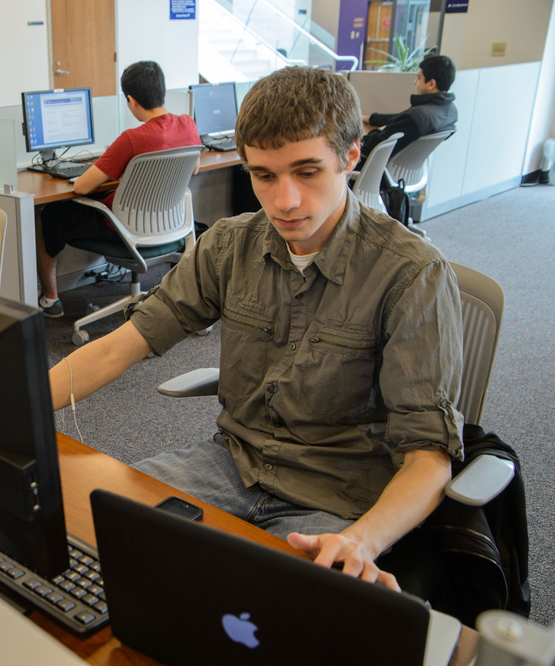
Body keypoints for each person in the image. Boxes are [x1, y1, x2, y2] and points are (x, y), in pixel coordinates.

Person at [49, 66, 465, 590]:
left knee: (288, 621)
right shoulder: (229, 245)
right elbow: (119, 348)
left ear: (351, 156)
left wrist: (363, 541)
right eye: (264, 175)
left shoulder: (411, 275)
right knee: (91, 537)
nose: (284, 201)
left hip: (334, 499)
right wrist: (22, 402)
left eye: (307, 172)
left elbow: (430, 458)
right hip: (229, 466)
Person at [36, 60, 201, 317]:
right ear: (162, 91)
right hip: (169, 225)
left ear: (132, 101)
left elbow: (81, 187)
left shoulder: (132, 139)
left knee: (49, 214)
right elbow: (195, 169)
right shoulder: (188, 124)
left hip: (123, 228)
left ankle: (50, 299)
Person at [359, 54, 458, 166]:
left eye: (419, 78)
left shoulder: (417, 117)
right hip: (402, 172)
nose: (415, 82)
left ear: (431, 84)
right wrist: (367, 118)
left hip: (375, 171)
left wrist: (375, 132)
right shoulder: (448, 111)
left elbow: (372, 146)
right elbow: (400, 118)